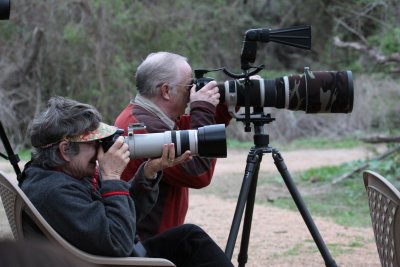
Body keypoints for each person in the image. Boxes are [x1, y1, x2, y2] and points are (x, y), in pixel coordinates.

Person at [19, 96, 233, 267]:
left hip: (109, 256)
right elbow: (118, 242)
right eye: (96, 143)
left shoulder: (57, 176)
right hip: (113, 260)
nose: (102, 150)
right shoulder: (54, 192)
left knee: (189, 238)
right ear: (65, 150)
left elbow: (118, 218)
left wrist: (148, 172)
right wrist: (112, 177)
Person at [115, 51, 233, 240]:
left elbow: (192, 130)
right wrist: (203, 108)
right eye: (189, 85)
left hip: (153, 234)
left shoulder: (147, 117)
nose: (192, 91)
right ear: (166, 91)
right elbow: (198, 174)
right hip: (147, 243)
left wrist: (227, 102)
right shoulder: (143, 130)